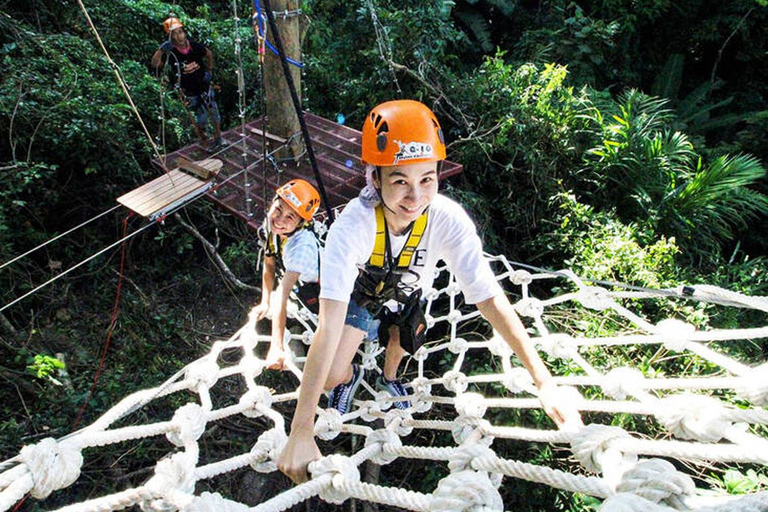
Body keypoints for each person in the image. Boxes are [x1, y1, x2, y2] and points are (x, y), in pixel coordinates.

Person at [277, 99, 579, 484]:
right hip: (363, 298)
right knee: (333, 375)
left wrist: (544, 381)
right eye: (400, 180)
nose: (415, 197)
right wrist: (301, 428)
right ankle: (351, 374)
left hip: (407, 297)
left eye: (427, 180)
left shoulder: (446, 220)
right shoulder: (351, 228)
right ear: (375, 179)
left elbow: (489, 298)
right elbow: (328, 325)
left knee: (400, 351)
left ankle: (390, 377)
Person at [253, 179, 322, 370]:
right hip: (298, 284)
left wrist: (277, 346)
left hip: (319, 290)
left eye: (290, 217)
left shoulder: (301, 247)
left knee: (324, 332)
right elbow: (269, 263)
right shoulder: (271, 225)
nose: (280, 219)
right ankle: (297, 333)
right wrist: (265, 301)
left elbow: (282, 294)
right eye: (278, 209)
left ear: (301, 224)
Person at [151, 17, 223, 151]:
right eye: (175, 34)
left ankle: (218, 138)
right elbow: (155, 65)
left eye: (180, 32)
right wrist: (161, 50)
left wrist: (209, 71)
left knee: (214, 112)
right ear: (171, 38)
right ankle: (204, 139)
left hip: (204, 85)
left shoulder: (195, 46)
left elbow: (209, 54)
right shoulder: (171, 53)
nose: (179, 36)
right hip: (189, 91)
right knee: (200, 119)